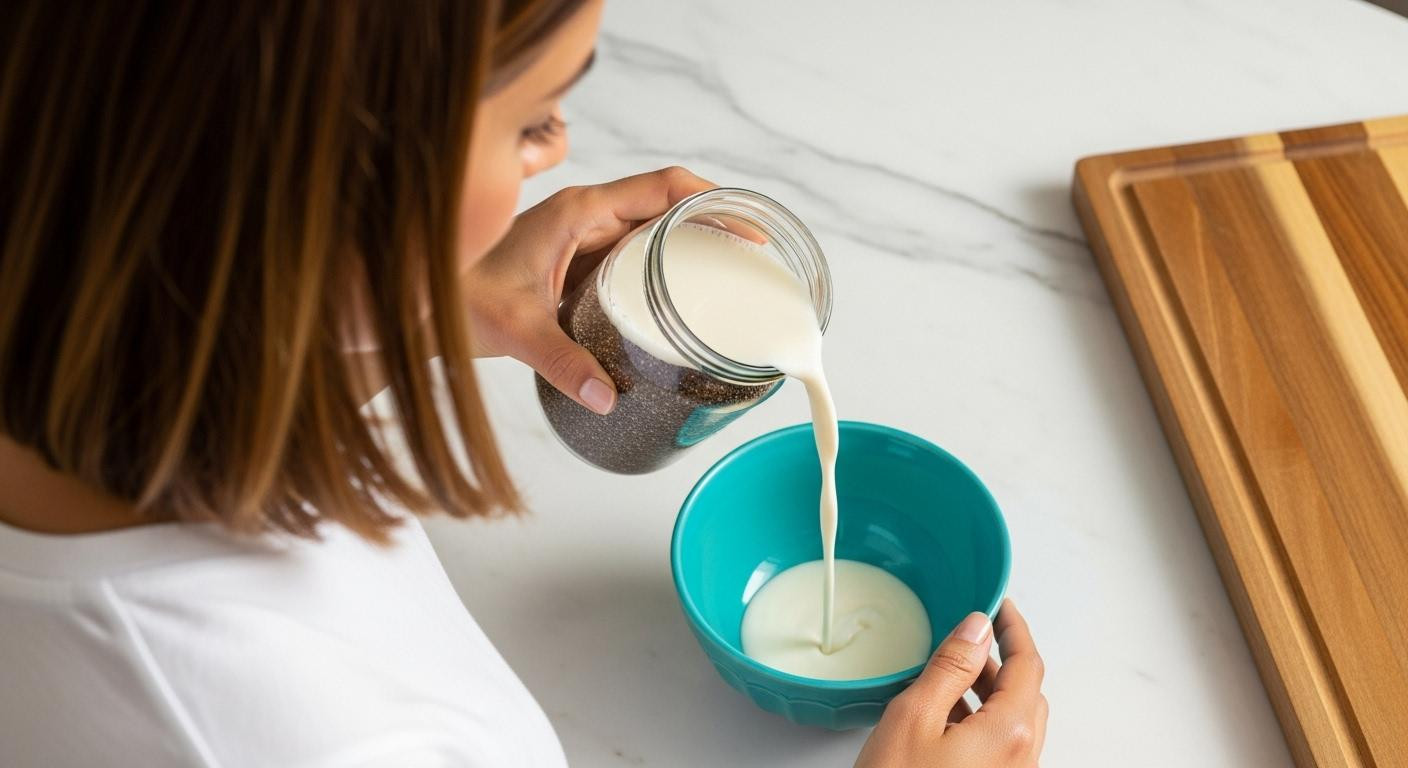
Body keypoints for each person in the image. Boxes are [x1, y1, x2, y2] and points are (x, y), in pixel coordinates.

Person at [0, 1, 1047, 765]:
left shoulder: (56, 338)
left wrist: (389, 313)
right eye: (532, 117)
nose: (556, 154)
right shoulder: (292, 735)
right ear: (330, 186)